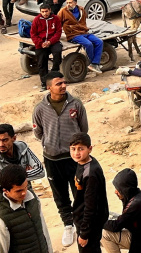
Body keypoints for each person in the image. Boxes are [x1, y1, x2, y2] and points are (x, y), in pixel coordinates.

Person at [32, 72, 88, 247]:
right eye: (58, 84)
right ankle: (68, 225)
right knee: (60, 194)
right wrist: (50, 143)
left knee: (79, 192)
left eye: (64, 82)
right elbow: (38, 132)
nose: (63, 86)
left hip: (74, 159)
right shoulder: (40, 109)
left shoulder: (76, 104)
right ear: (49, 87)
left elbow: (83, 129)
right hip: (52, 159)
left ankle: (82, 226)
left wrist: (76, 149)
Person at [0, 165, 53, 253]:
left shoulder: (33, 200)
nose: (24, 193)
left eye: (25, 187)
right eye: (18, 191)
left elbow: (43, 231)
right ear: (5, 191)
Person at [101, 169, 141, 253]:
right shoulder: (138, 196)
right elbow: (124, 221)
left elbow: (116, 226)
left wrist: (98, 221)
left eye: (119, 189)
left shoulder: (136, 204)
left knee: (105, 234)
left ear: (126, 189)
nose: (115, 192)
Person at [70, 132, 109, 253]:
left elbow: (91, 206)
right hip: (83, 218)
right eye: (73, 149)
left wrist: (84, 233)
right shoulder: (82, 162)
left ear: (90, 149)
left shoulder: (91, 174)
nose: (76, 153)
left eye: (81, 149)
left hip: (89, 222)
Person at [0, 123, 45, 190]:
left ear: (14, 138)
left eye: (5, 140)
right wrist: (24, 174)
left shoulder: (23, 148)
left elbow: (40, 171)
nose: (1, 144)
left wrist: (8, 179)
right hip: (9, 196)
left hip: (27, 191)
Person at [58, 0, 104, 74]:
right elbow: (58, 23)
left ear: (75, 3)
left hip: (84, 32)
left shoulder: (81, 9)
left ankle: (95, 63)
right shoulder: (63, 11)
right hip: (73, 34)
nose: (68, 4)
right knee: (88, 44)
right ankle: (93, 63)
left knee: (99, 42)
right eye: (67, 3)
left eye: (70, 3)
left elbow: (83, 21)